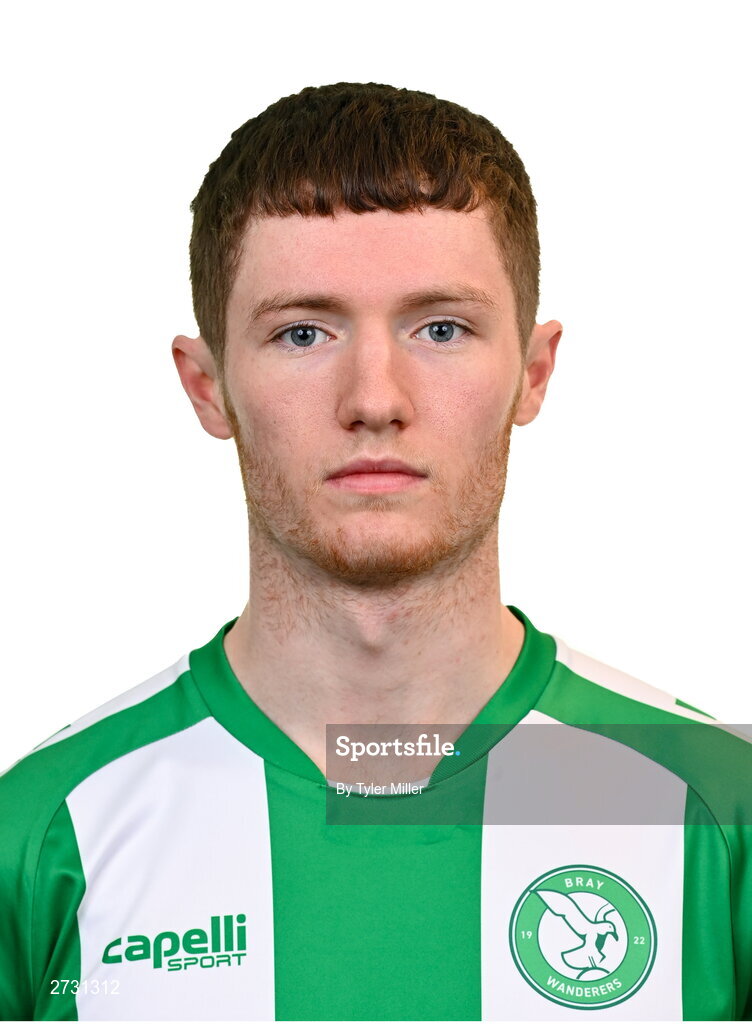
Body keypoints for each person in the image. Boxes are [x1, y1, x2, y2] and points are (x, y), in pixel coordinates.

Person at [0, 81, 750, 1023]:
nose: (375, 397)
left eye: (442, 328)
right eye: (303, 332)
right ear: (208, 387)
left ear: (534, 370)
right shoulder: (45, 829)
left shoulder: (718, 804)